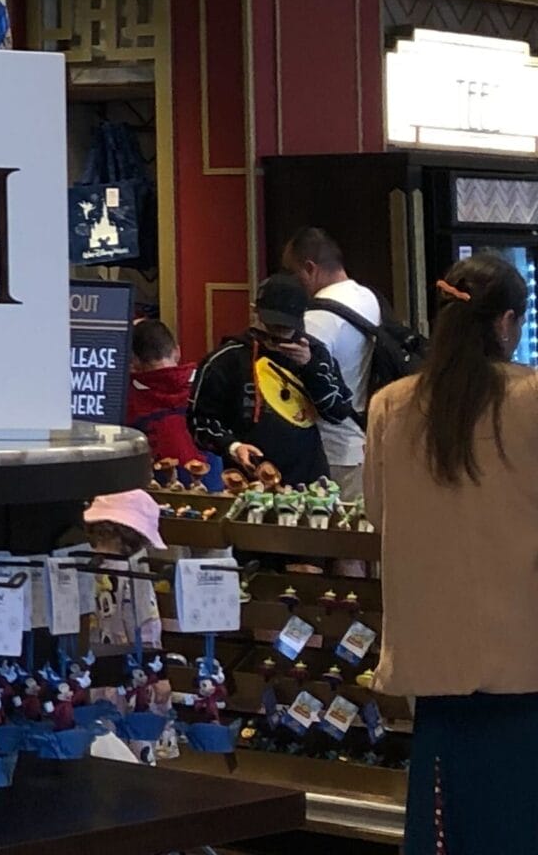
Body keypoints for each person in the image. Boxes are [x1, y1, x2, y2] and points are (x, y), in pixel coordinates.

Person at [364, 250, 538, 855]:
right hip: (528, 663)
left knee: (449, 832)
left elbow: (378, 516)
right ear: (507, 323)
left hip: (436, 666)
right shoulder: (533, 398)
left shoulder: (392, 405)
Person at [186, 273, 355, 487]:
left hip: (309, 482)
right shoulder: (225, 360)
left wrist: (310, 368)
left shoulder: (314, 353)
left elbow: (339, 412)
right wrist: (233, 446)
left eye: (285, 328)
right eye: (272, 327)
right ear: (255, 312)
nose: (277, 338)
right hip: (244, 482)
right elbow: (199, 422)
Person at [284, 227, 383, 498]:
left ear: (309, 268)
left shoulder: (317, 317)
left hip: (331, 449)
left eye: (294, 274)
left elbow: (298, 380)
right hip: (362, 438)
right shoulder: (367, 297)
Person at [125, 317, 211, 481]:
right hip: (214, 491)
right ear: (177, 352)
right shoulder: (207, 383)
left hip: (156, 495)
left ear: (134, 361)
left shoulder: (127, 398)